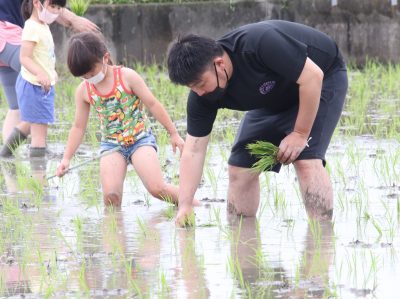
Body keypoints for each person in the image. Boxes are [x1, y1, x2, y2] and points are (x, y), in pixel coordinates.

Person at [167, 20, 348, 225]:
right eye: (192, 88)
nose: (199, 92)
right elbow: (193, 150)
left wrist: (300, 134)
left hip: (322, 79)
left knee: (305, 160)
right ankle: (242, 240)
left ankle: (321, 238)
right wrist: (185, 204)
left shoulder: (260, 43)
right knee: (240, 168)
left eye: (200, 84)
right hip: (274, 97)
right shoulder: (202, 96)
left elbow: (312, 77)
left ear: (219, 64)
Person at [55, 32, 194, 207]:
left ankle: (195, 205)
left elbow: (152, 104)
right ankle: (115, 233)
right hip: (111, 145)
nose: (89, 79)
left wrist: (173, 133)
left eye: (91, 72)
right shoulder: (84, 90)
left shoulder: (127, 76)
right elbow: (78, 127)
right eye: (84, 76)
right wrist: (66, 159)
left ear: (105, 58)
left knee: (157, 188)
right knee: (111, 198)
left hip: (139, 139)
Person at [0, 0, 98, 157]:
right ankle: (37, 149)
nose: (57, 10)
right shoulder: (34, 26)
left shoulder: (37, 25)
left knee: (16, 107)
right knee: (35, 82)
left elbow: (50, 6)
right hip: (6, 35)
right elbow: (49, 4)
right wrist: (74, 20)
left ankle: (8, 160)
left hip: (10, 38)